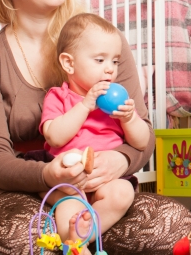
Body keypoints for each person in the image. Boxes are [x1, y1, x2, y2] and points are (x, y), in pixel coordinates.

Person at [0, 0, 191, 254]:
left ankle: (78, 238)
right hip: (20, 189)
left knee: (172, 223)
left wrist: (120, 162)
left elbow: (141, 135)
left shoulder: (104, 43)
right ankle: (74, 240)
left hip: (98, 190)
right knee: (21, 240)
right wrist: (49, 176)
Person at [37, 13, 149, 251]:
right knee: (71, 202)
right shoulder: (59, 97)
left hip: (106, 180)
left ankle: (80, 239)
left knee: (122, 192)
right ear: (69, 63)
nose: (110, 69)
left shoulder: (117, 101)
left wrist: (129, 118)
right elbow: (54, 136)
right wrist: (85, 105)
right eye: (100, 60)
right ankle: (77, 238)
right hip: (68, 180)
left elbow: (141, 142)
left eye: (115, 61)